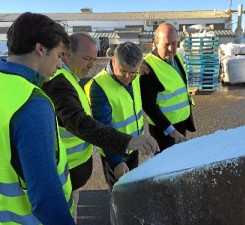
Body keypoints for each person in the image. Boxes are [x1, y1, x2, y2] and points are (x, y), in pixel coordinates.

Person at [42, 34, 159, 216]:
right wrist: (122, 150)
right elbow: (82, 123)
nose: (90, 65)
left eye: (94, 59)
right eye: (87, 59)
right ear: (66, 54)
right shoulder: (62, 82)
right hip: (67, 171)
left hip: (81, 169)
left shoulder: (72, 77)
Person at [0, 12, 74, 224]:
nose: (60, 65)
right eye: (60, 55)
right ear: (40, 49)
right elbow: (45, 198)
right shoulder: (32, 103)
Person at [84, 42, 145, 191]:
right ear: (113, 61)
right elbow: (103, 127)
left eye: (133, 72)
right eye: (123, 71)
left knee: (132, 191)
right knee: (118, 195)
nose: (128, 77)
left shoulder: (134, 76)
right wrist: (116, 162)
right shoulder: (98, 87)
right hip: (114, 151)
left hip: (133, 146)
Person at [140, 22, 196, 152]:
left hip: (181, 122)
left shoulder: (176, 56)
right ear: (155, 43)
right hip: (164, 130)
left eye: (174, 43)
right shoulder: (147, 67)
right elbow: (149, 106)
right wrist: (170, 131)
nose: (171, 48)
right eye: (166, 45)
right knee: (166, 167)